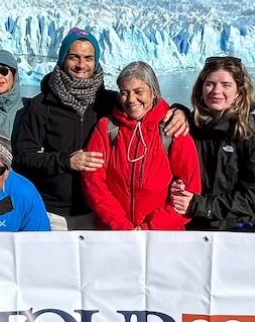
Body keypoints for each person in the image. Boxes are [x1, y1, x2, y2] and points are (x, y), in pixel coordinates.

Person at [14, 27, 189, 231]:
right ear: (63, 59)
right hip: (53, 213)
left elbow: (148, 106)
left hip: (97, 215)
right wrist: (66, 161)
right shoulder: (41, 105)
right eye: (74, 57)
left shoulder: (110, 102)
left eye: (88, 58)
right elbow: (24, 157)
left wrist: (180, 111)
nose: (81, 65)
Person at [82, 61, 201, 231]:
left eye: (139, 92)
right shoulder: (107, 128)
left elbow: (190, 188)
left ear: (153, 93)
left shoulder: (172, 128)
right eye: (124, 93)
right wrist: (122, 227)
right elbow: (92, 181)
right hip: (113, 233)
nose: (131, 100)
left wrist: (149, 229)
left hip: (161, 237)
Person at [170, 56, 255, 230]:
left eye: (226, 85)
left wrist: (201, 206)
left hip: (236, 231)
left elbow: (254, 197)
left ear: (239, 91)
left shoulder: (254, 135)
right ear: (201, 88)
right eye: (210, 83)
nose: (216, 91)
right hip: (191, 226)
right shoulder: (188, 127)